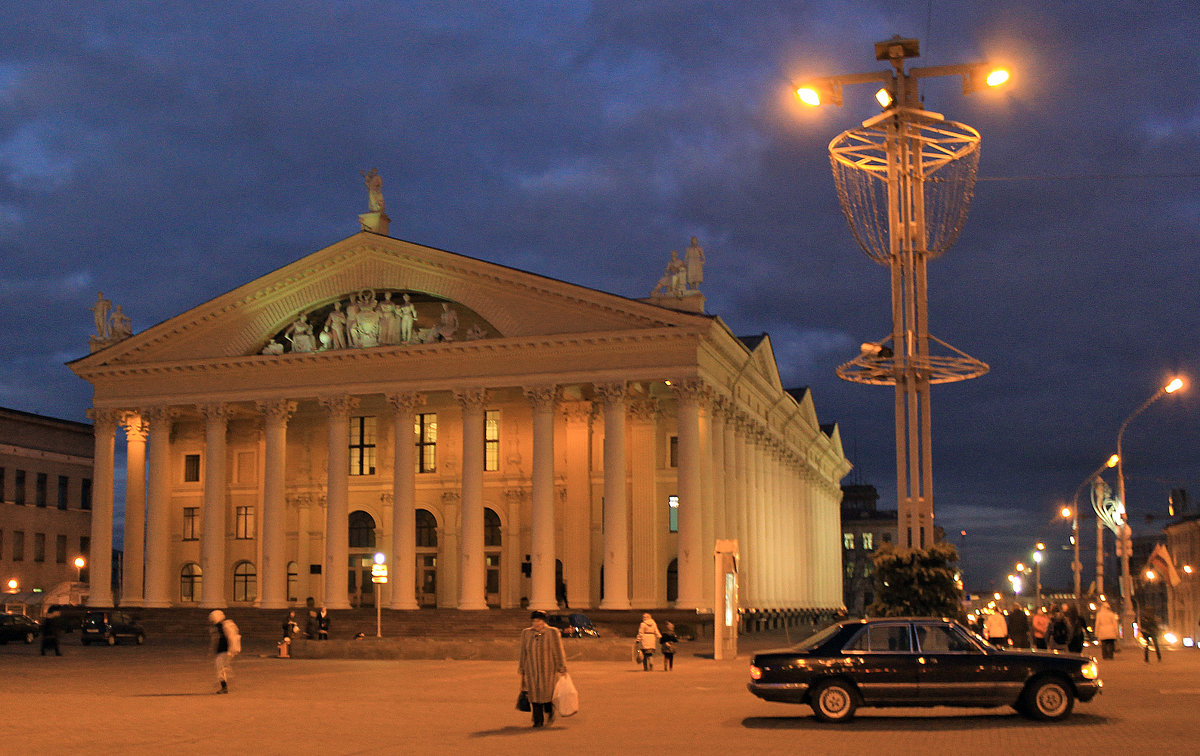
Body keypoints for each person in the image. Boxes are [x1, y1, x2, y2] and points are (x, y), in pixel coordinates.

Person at [518, 610, 567, 728]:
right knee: (534, 695)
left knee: (547, 694)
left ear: (544, 621)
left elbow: (558, 650)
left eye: (538, 621)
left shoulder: (552, 632)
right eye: (534, 621)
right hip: (532, 668)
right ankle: (537, 720)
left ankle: (549, 711)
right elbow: (523, 651)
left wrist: (562, 666)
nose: (536, 623)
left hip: (548, 669)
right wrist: (522, 667)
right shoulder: (526, 633)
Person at [209, 610, 241, 694]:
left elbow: (231, 638)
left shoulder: (225, 626)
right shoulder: (218, 627)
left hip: (225, 650)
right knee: (222, 667)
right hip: (222, 650)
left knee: (220, 668)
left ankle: (224, 685)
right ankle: (225, 681)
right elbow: (216, 639)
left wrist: (231, 650)